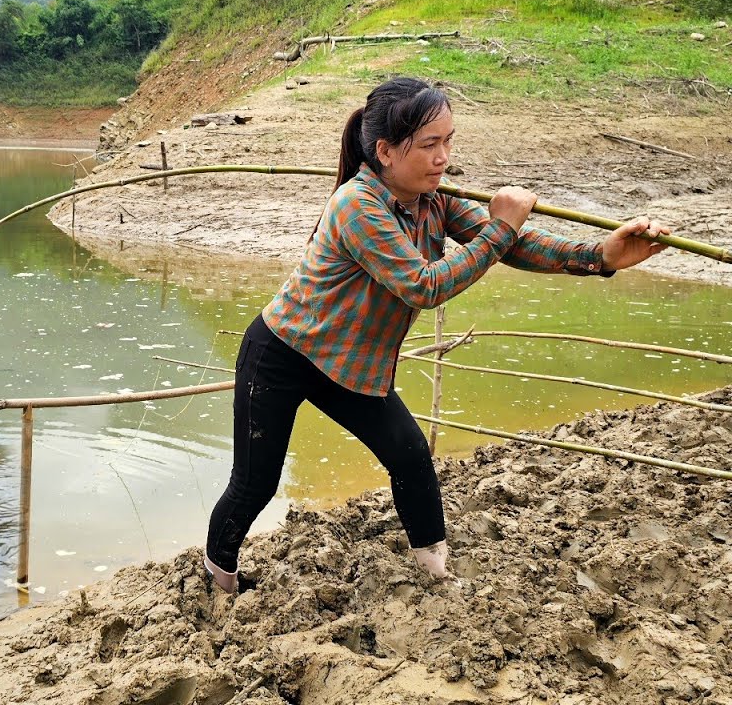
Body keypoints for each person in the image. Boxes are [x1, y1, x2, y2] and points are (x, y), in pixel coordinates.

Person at [203, 76, 670, 592]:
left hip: (349, 364)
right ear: (385, 151)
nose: (443, 157)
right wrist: (502, 226)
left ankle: (435, 572)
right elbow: (424, 285)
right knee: (256, 482)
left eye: (448, 141)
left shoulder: (433, 199)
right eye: (429, 145)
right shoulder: (356, 205)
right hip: (283, 354)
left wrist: (600, 256)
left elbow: (513, 245)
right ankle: (220, 579)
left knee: (410, 455)